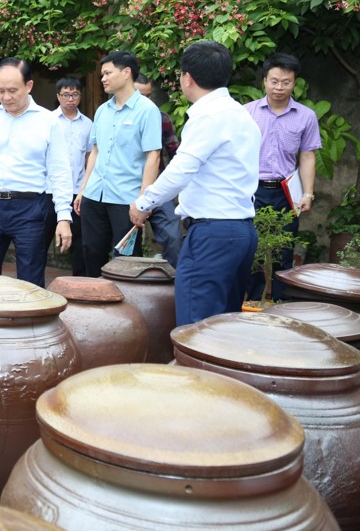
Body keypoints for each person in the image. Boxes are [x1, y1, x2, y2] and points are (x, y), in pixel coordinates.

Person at [129, 40, 260, 325]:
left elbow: (181, 170)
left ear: (188, 78)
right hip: (242, 232)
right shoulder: (242, 114)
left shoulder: (207, 117)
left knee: (195, 326)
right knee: (224, 324)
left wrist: (144, 203)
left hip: (213, 233)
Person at [0, 57, 73, 287]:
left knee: (30, 279)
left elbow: (60, 172)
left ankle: (30, 321)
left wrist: (63, 217)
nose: (6, 97)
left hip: (31, 209)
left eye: (12, 90)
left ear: (29, 86)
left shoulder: (48, 122)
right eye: (0, 90)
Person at [75, 51, 161, 277]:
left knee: (127, 260)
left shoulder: (147, 110)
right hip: (95, 195)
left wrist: (143, 202)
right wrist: (83, 189)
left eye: (107, 73)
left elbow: (154, 156)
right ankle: (94, 305)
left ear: (126, 73)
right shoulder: (102, 110)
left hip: (126, 199)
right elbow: (95, 151)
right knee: (91, 252)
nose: (103, 78)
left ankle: (126, 310)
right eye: (102, 74)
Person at [244, 53, 321, 301]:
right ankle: (253, 301)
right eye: (274, 81)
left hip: (287, 192)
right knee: (252, 249)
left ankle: (280, 303)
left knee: (284, 251)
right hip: (252, 190)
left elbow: (307, 156)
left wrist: (308, 193)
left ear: (294, 82)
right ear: (264, 81)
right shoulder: (247, 113)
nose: (279, 87)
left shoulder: (306, 116)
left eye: (286, 82)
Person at [135, 74, 182, 268]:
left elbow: (175, 153)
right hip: (125, 189)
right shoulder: (113, 118)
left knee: (173, 237)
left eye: (148, 96)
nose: (145, 101)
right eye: (140, 96)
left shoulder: (161, 118)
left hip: (156, 189)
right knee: (125, 244)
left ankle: (175, 284)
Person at [53, 77, 92, 276]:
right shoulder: (48, 120)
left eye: (75, 94)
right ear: (58, 96)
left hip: (77, 191)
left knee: (79, 241)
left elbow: (89, 157)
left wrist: (85, 188)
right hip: (49, 190)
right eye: (66, 94)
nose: (71, 99)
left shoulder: (87, 124)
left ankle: (80, 282)